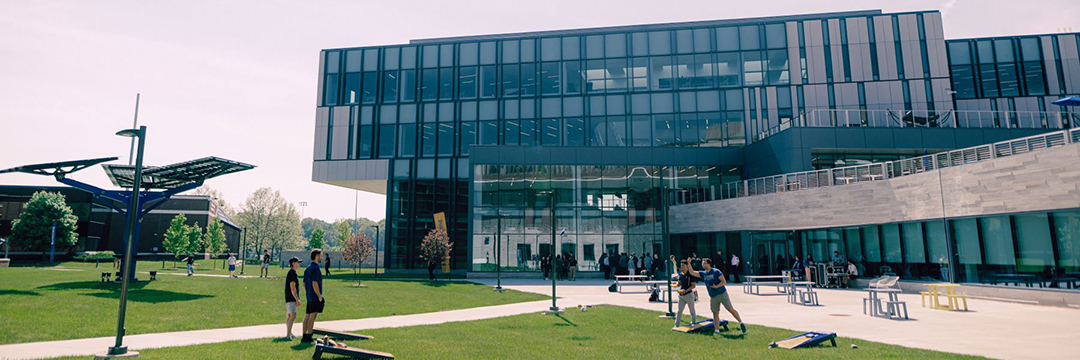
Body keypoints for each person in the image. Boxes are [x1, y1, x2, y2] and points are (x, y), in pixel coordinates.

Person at [687, 258, 747, 334]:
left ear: (709, 264)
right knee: (715, 313)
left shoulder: (716, 272)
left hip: (722, 294)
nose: (703, 264)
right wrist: (689, 263)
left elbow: (724, 281)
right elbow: (692, 272)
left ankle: (741, 322)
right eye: (702, 263)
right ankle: (717, 330)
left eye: (704, 263)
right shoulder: (703, 273)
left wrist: (716, 286)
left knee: (730, 309)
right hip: (713, 296)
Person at [301, 249, 324, 343]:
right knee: (312, 316)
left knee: (307, 315)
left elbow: (304, 284)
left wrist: (308, 293)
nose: (322, 257)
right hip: (314, 296)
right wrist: (319, 295)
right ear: (317, 256)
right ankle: (309, 335)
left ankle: (304, 336)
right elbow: (315, 283)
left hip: (309, 296)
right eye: (321, 255)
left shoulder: (308, 268)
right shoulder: (316, 268)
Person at [672, 257, 698, 329]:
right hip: (681, 295)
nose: (681, 267)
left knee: (692, 310)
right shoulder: (681, 274)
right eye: (681, 265)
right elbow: (679, 283)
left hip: (689, 294)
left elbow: (693, 285)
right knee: (679, 310)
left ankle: (693, 323)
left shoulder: (690, 274)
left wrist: (686, 290)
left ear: (687, 266)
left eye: (683, 265)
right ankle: (676, 325)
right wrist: (676, 285)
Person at [284, 257, 302, 339]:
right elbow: (292, 287)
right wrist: (296, 298)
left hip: (288, 297)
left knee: (289, 315)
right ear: (293, 263)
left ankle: (289, 333)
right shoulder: (292, 273)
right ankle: (288, 335)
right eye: (298, 262)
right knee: (293, 315)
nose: (299, 264)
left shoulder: (291, 272)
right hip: (291, 297)